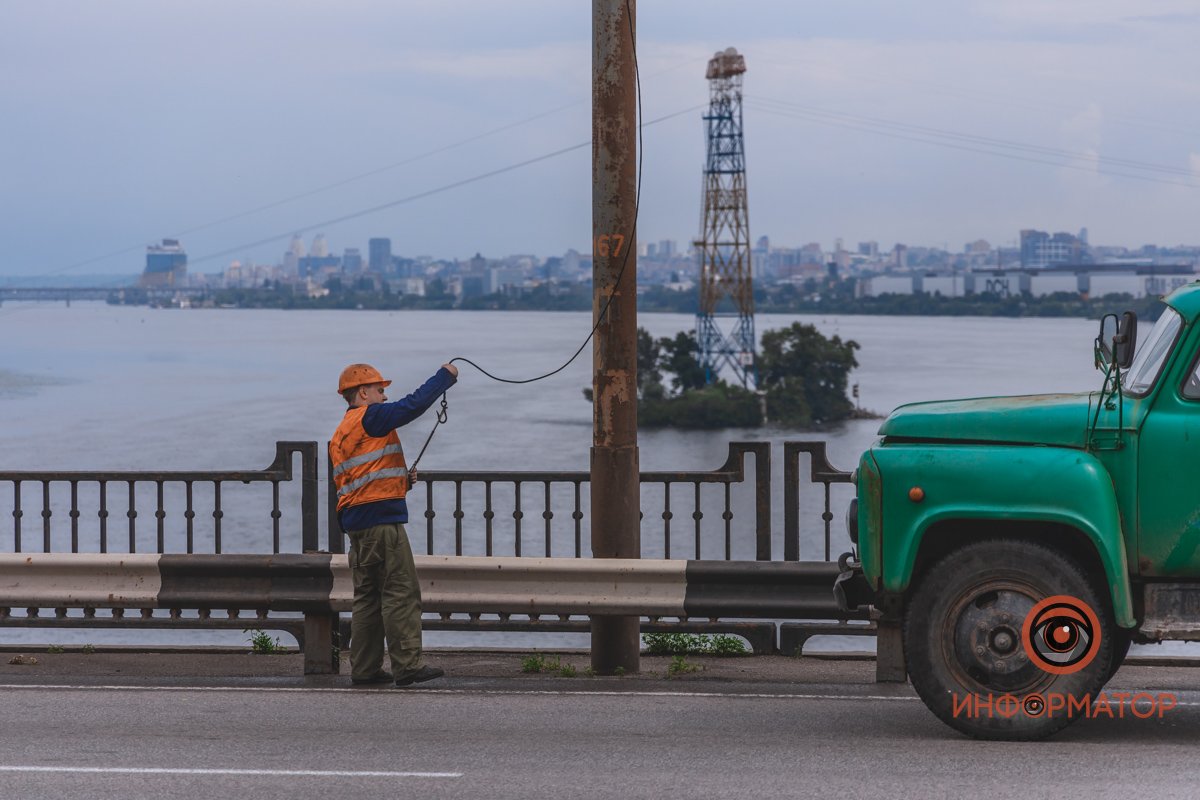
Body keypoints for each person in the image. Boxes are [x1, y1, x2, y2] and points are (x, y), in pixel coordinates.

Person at [330, 361, 458, 687]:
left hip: (357, 524)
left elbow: (362, 479)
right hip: (382, 525)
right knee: (400, 591)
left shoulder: (343, 431)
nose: (385, 396)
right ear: (363, 392)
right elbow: (412, 405)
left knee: (368, 598)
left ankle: (365, 669)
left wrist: (402, 481)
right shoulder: (370, 416)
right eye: (379, 390)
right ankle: (408, 665)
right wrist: (445, 377)